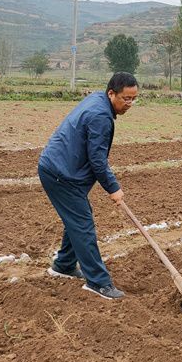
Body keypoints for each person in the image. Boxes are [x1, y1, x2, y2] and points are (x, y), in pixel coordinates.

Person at [38, 72, 138, 300]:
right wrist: (113, 188)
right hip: (61, 173)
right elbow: (97, 160)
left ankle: (63, 265)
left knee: (78, 219)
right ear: (111, 93)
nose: (130, 104)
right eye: (126, 98)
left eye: (134, 99)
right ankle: (98, 282)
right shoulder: (101, 116)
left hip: (60, 167)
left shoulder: (98, 100)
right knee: (83, 224)